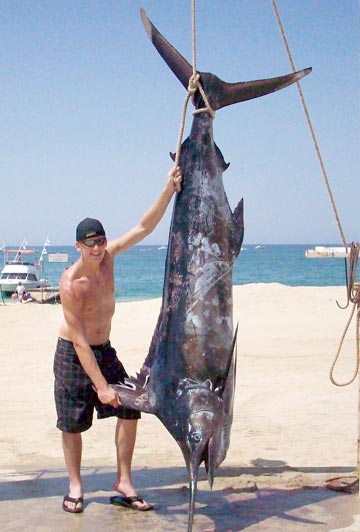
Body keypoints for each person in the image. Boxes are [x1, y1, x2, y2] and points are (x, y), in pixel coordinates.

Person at [54, 165, 182, 514]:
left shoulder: (110, 257)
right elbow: (79, 341)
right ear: (78, 245)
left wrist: (169, 189)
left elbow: (144, 227)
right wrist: (100, 386)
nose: (97, 248)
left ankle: (123, 480)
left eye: (101, 241)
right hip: (73, 353)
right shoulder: (71, 283)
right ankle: (76, 486)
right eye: (90, 243)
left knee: (130, 408)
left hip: (104, 349)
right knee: (72, 423)